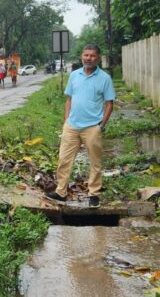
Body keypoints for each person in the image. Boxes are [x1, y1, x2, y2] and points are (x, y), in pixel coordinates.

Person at [45, 44, 115, 208]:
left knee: (95, 163)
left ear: (97, 58)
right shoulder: (74, 75)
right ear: (81, 57)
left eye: (92, 56)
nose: (88, 58)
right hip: (72, 126)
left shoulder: (105, 78)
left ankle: (94, 195)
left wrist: (101, 126)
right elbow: (68, 99)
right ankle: (61, 192)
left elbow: (109, 104)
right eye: (86, 55)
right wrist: (66, 121)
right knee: (64, 160)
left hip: (92, 127)